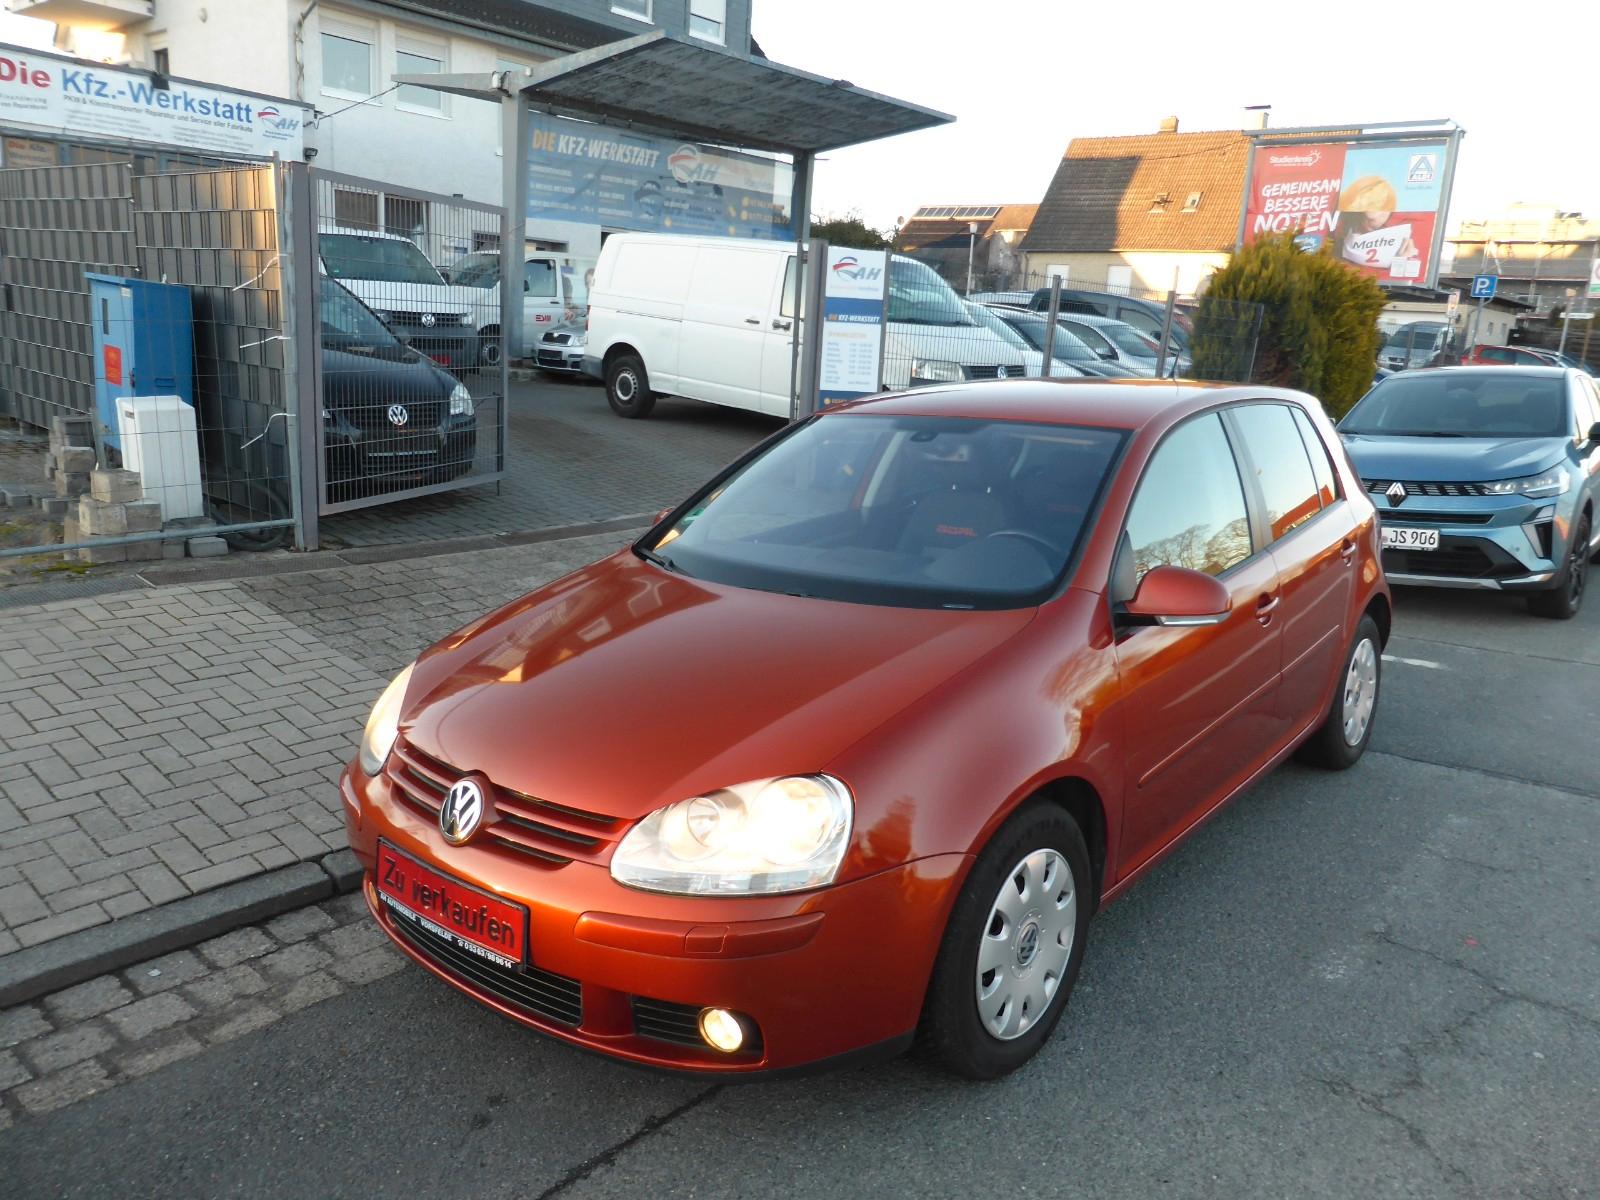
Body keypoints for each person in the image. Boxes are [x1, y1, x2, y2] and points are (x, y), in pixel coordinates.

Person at [1334, 175, 1419, 271]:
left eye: (1378, 200)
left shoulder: (1408, 229)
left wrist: (1401, 262)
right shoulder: (1343, 225)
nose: (1371, 202)